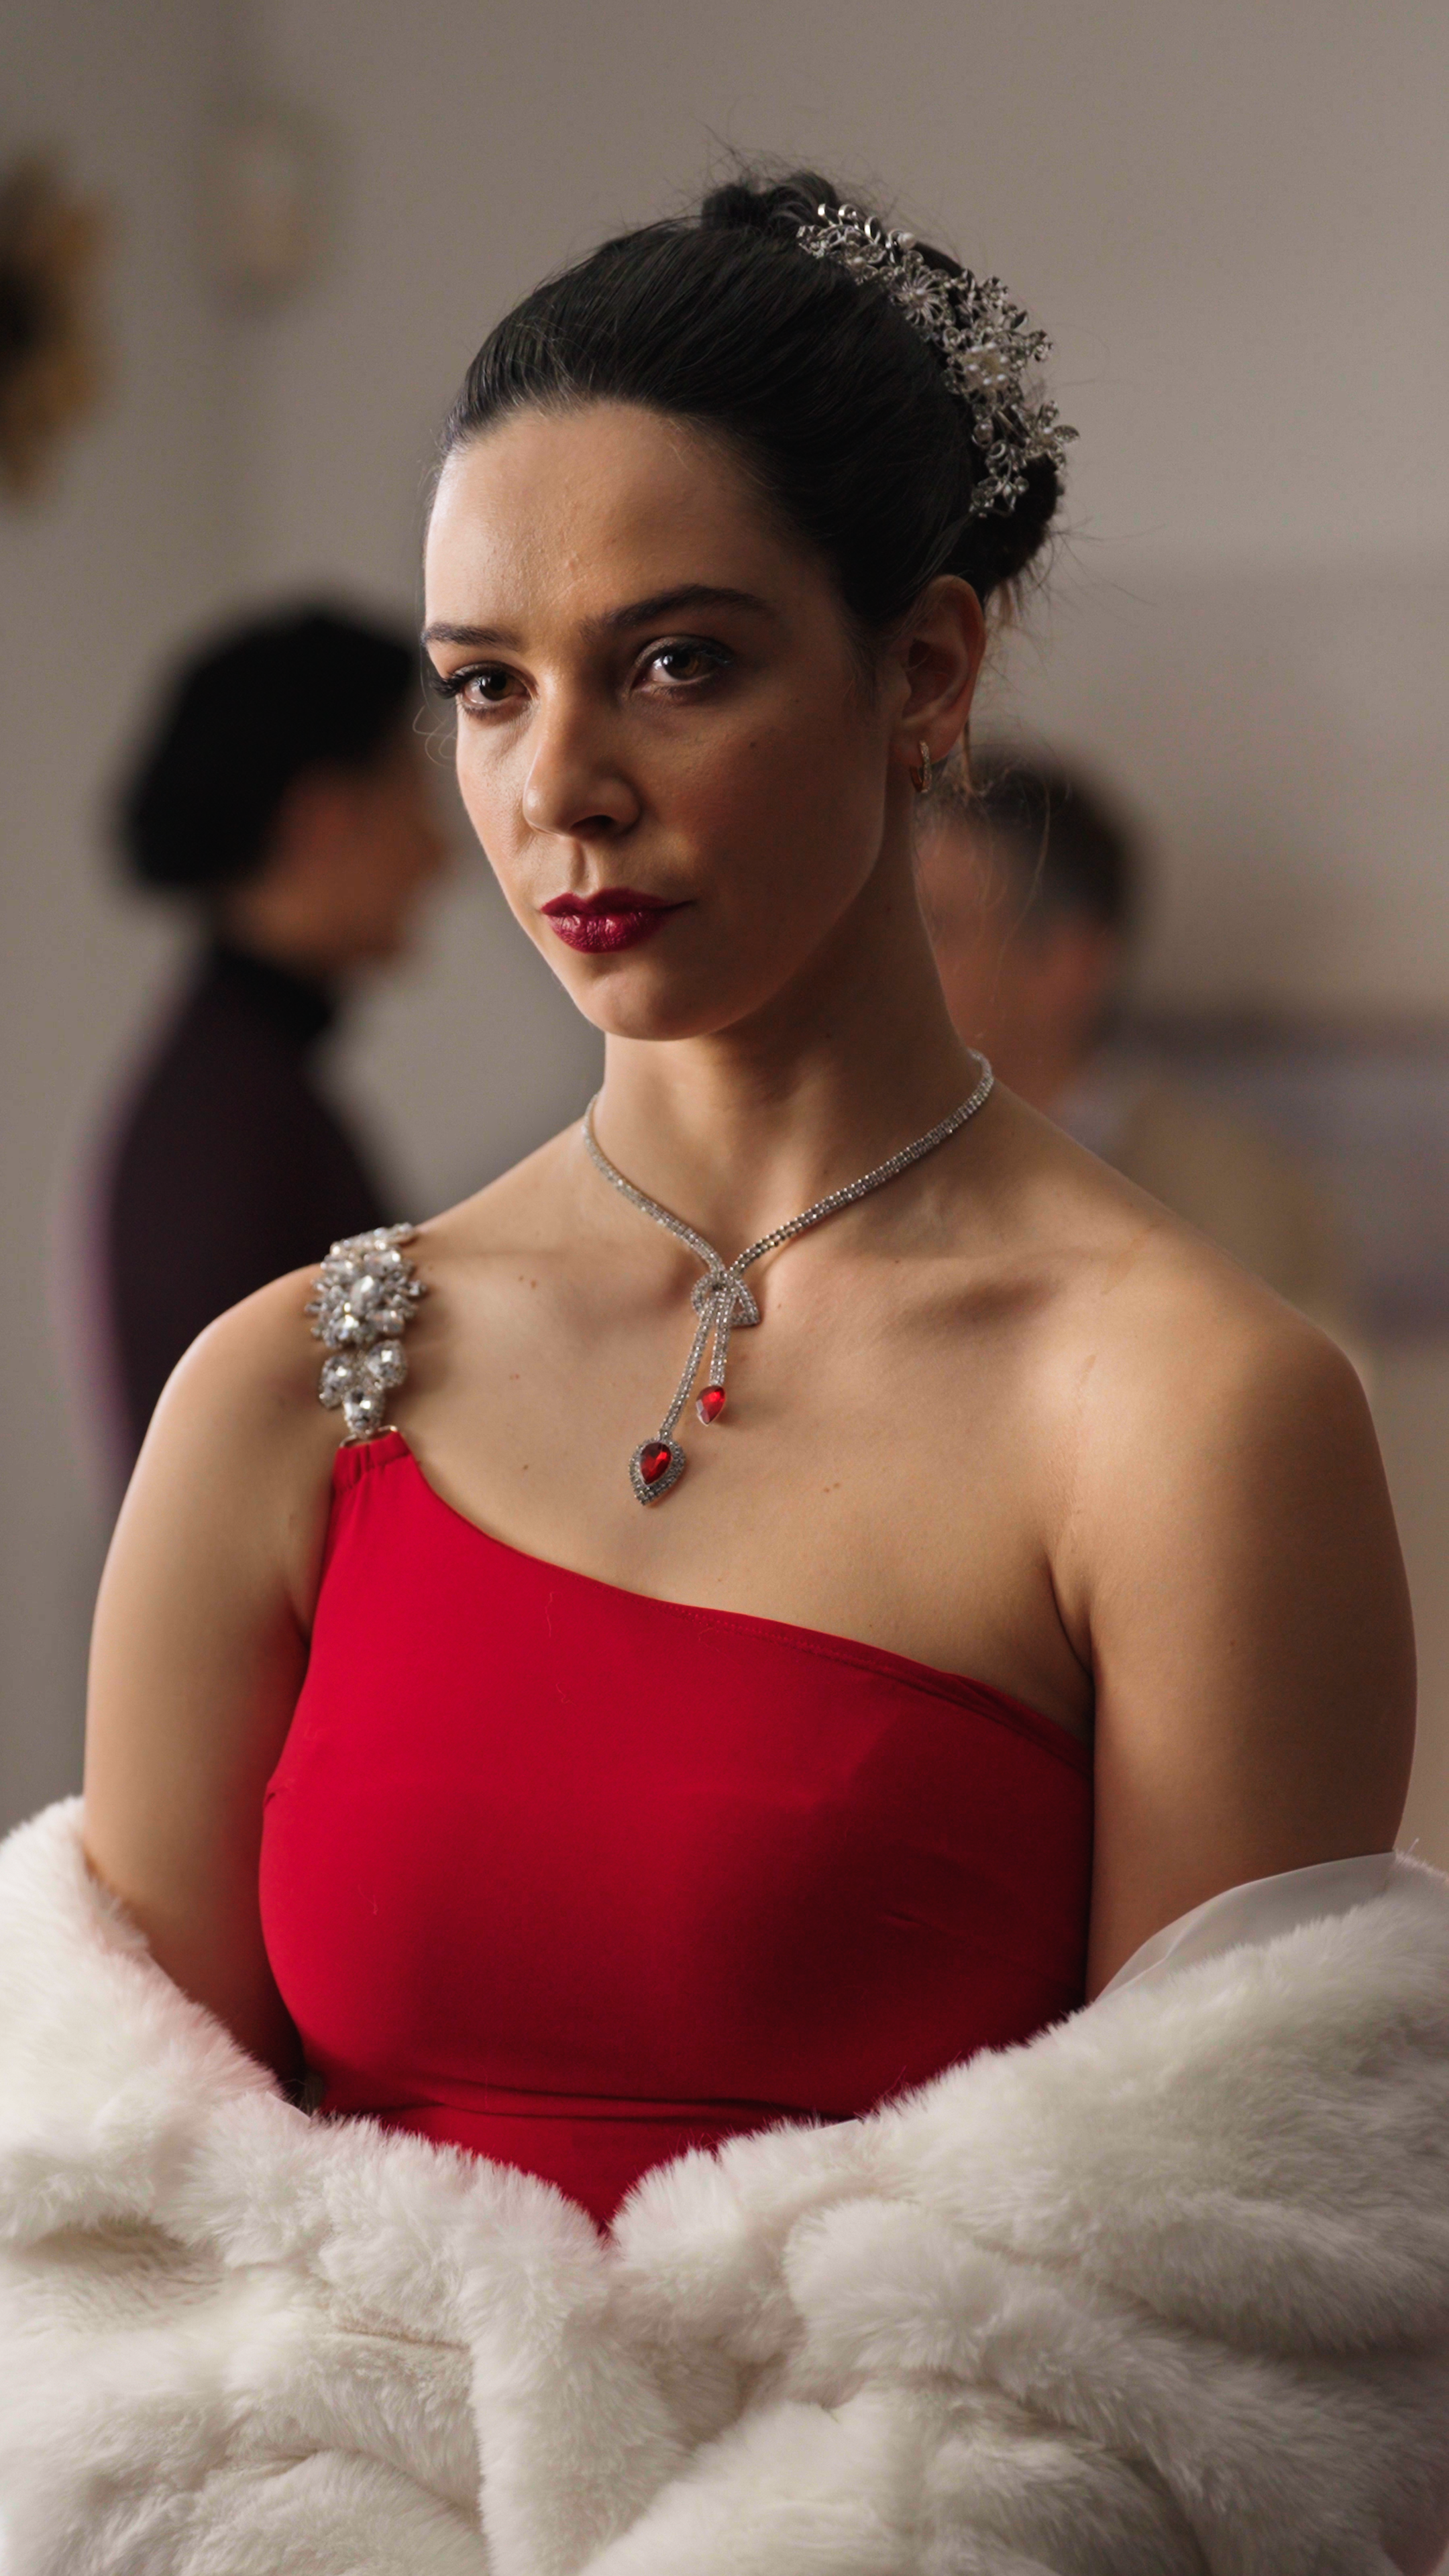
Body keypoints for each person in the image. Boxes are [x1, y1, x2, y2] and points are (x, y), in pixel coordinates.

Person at [3, 172, 1448, 2574]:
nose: (557, 779)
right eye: (486, 683)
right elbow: (96, 2268)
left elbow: (1222, 2365)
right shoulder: (297, 1387)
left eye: (674, 661)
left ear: (926, 672)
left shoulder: (1184, 1408)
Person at [95, 603, 449, 1472]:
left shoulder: (226, 1083)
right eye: (413, 791)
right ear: (322, 819)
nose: (440, 853)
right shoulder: (232, 1122)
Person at [916, 749, 1358, 1343]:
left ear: (1068, 964)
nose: (883, 963)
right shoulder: (852, 1162)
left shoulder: (1229, 1200)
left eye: (934, 927)